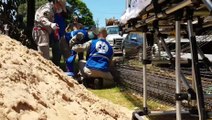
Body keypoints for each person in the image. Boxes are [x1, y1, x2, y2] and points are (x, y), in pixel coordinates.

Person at [50, 2, 67, 66]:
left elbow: (66, 12)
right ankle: (55, 64)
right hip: (55, 35)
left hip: (62, 35)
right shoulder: (53, 15)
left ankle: (57, 64)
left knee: (60, 51)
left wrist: (63, 5)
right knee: (56, 50)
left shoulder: (63, 16)